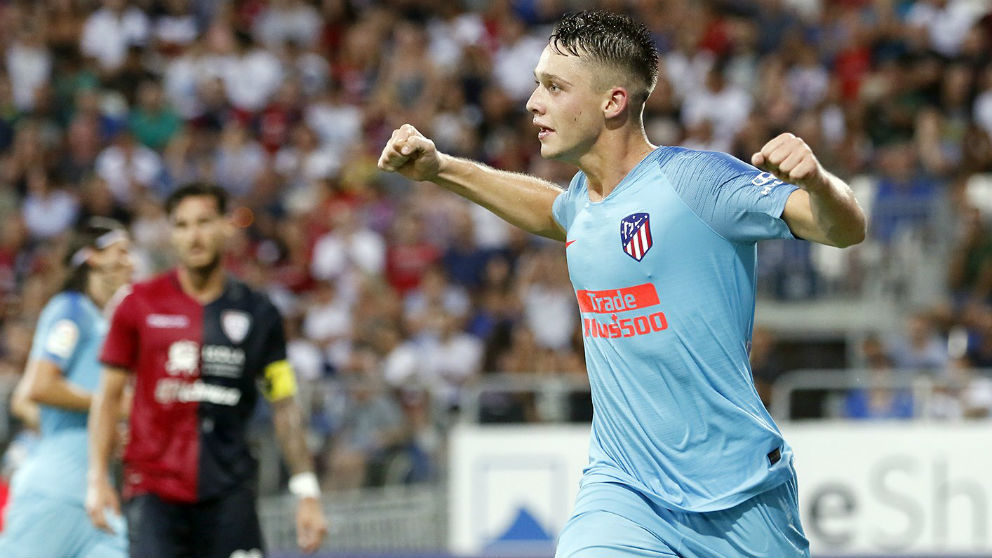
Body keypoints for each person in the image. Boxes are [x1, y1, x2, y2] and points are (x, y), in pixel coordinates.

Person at [378, 10, 866, 558]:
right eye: (537, 84)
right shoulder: (584, 203)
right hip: (623, 490)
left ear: (613, 102)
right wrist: (440, 167)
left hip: (740, 494)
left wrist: (819, 182)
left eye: (554, 87)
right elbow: (553, 211)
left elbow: (842, 229)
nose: (533, 103)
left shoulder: (697, 183)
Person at [85, 183, 328, 558]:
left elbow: (283, 402)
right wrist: (97, 477)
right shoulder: (137, 306)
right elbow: (108, 395)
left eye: (203, 222)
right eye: (181, 225)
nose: (193, 235)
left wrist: (307, 490)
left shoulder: (259, 312)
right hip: (154, 493)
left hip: (230, 494)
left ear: (226, 227)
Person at [0, 217, 133, 558]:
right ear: (92, 257)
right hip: (55, 490)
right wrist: (110, 408)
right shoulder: (69, 310)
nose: (129, 262)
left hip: (95, 490)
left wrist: (105, 431)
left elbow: (25, 402)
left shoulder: (102, 320)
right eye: (120, 252)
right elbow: (39, 388)